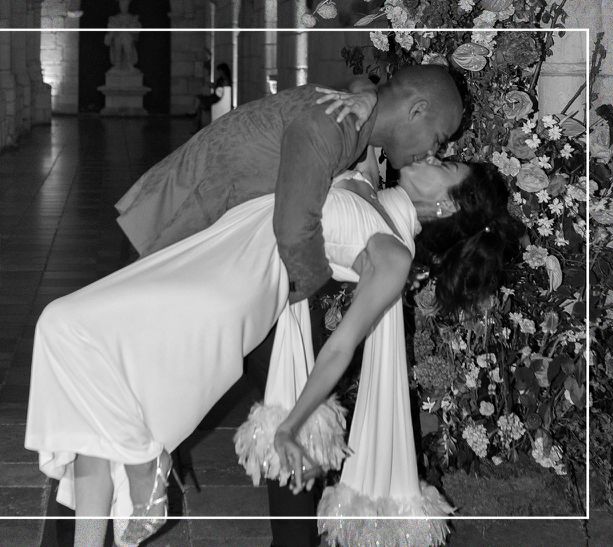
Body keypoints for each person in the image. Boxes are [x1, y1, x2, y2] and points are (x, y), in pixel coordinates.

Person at [25, 150, 521, 546]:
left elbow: (341, 347)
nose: (434, 154)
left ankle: (142, 458)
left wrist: (290, 425)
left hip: (226, 284)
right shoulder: (371, 179)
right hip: (216, 248)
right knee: (95, 394)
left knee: (66, 325)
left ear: (450, 205)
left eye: (447, 166)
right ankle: (116, 501)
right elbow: (364, 108)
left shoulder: (392, 252)